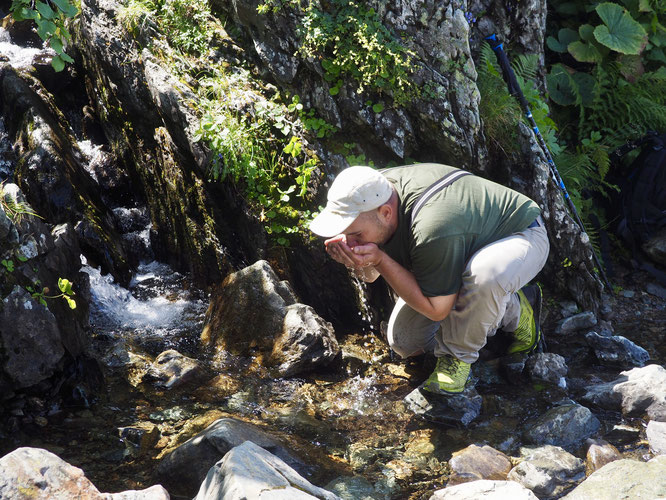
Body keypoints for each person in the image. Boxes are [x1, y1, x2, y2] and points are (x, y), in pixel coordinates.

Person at [309, 163, 550, 394]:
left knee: (484, 276)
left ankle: (461, 357)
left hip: (521, 235)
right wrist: (357, 260)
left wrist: (381, 259)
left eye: (356, 235)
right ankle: (491, 308)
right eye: (343, 234)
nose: (349, 241)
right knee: (405, 341)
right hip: (455, 248)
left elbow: (437, 311)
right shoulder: (365, 193)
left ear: (386, 213)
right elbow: (371, 277)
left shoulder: (429, 227)